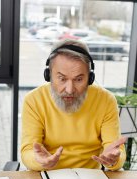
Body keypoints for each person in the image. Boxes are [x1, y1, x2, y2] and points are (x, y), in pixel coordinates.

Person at [21, 39, 126, 171]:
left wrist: (113, 160)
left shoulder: (106, 100)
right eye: (62, 78)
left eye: (79, 79)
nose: (69, 89)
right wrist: (38, 160)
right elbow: (28, 151)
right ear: (49, 76)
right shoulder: (34, 100)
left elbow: (115, 149)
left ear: (90, 78)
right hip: (46, 176)